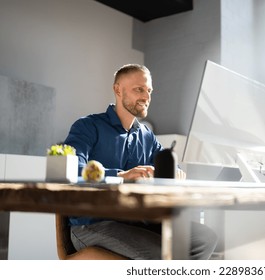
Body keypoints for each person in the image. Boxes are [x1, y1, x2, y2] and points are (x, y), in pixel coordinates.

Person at [64, 63, 217, 259]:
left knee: (204, 238)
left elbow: (167, 164)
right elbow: (72, 171)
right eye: (139, 89)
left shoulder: (147, 135)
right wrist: (121, 176)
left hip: (135, 222)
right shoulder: (87, 126)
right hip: (92, 223)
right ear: (118, 90)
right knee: (162, 257)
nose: (146, 96)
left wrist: (175, 172)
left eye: (149, 90)